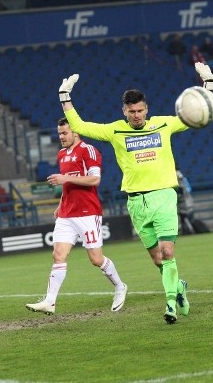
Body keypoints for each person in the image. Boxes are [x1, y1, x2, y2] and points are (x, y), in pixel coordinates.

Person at [55, 63, 213, 324]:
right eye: (132, 112)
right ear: (124, 112)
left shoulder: (164, 124)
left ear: (147, 109)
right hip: (136, 202)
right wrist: (65, 96)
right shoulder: (115, 130)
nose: (137, 115)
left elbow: (199, 111)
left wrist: (209, 82)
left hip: (163, 195)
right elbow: (80, 125)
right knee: (156, 258)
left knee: (167, 252)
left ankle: (171, 305)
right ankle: (178, 286)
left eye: (140, 110)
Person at [25, 118, 128, 315]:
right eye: (59, 133)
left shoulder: (88, 150)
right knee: (58, 255)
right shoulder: (62, 154)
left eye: (64, 133)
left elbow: (95, 179)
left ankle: (120, 286)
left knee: (96, 259)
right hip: (66, 213)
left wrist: (65, 178)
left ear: (75, 132)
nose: (61, 137)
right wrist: (60, 203)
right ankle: (50, 301)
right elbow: (68, 184)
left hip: (87, 212)